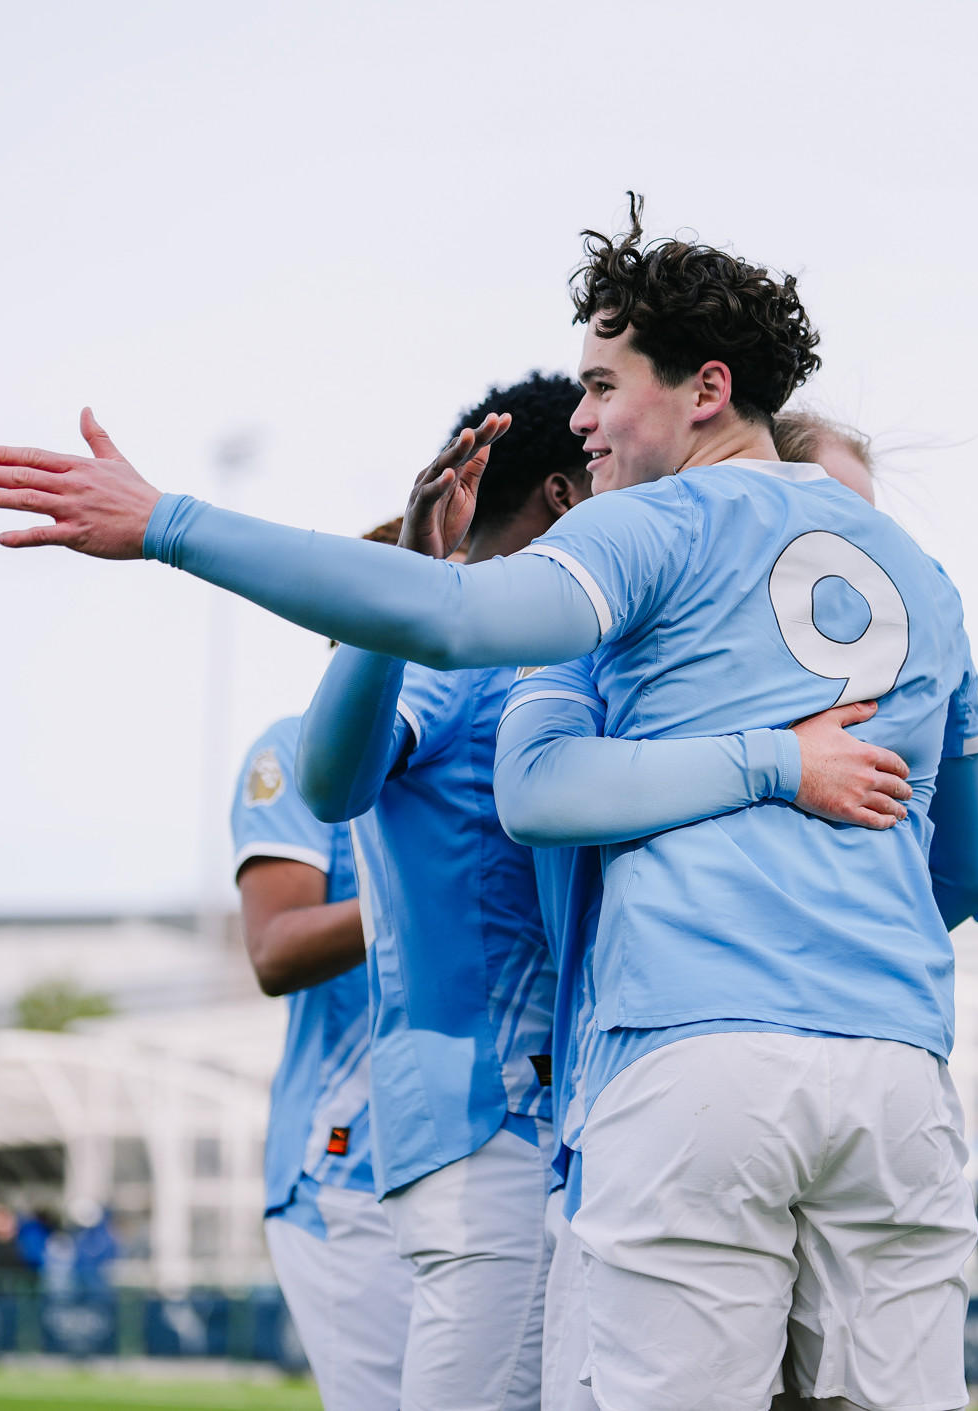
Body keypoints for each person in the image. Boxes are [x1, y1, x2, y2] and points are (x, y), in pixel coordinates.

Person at [0, 199, 978, 1409]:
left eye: (602, 386)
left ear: (706, 390)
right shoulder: (923, 580)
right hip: (885, 1071)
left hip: (674, 1065)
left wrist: (171, 524)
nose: (586, 418)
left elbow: (498, 711)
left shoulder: (644, 536)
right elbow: (966, 872)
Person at [498, 406, 978, 1410]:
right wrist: (772, 763)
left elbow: (967, 863)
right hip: (706, 1071)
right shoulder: (635, 629)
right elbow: (537, 794)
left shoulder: (881, 647)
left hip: (767, 1076)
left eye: (862, 524)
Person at [291, 372, 592, 1411]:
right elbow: (332, 782)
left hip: (523, 1117)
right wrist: (408, 589)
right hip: (488, 1119)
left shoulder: (539, 647)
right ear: (564, 492)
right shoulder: (460, 639)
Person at [231, 697, 412, 1411]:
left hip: (497, 1140)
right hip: (344, 1165)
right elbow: (273, 948)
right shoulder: (293, 747)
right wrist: (429, 893)